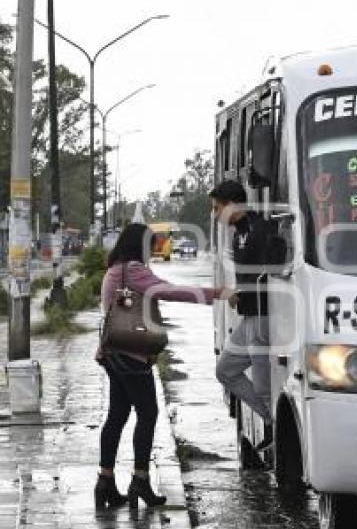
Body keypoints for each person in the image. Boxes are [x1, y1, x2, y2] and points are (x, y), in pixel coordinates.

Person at [95, 223, 223, 509]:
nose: (153, 251)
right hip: (131, 355)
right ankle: (139, 480)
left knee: (117, 416)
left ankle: (105, 482)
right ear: (139, 246)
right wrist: (216, 294)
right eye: (150, 245)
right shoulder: (133, 270)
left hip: (112, 353)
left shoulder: (114, 269)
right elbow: (171, 291)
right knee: (148, 414)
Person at [209, 180, 276, 448]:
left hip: (263, 316)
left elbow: (268, 274)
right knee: (225, 370)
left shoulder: (261, 230)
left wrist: (240, 294)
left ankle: (274, 433)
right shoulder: (238, 233)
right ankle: (271, 421)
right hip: (248, 315)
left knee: (263, 388)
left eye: (217, 208)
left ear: (233, 204)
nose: (215, 215)